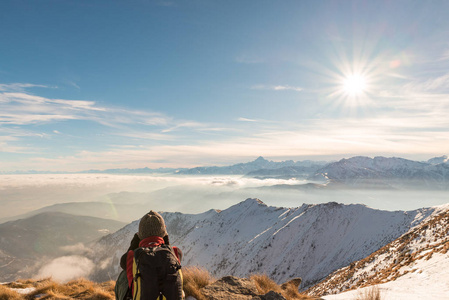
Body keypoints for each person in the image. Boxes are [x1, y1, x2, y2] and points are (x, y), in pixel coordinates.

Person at [115, 210, 183, 300]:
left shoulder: (131, 256)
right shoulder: (175, 252)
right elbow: (167, 251)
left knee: (124, 276)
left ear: (140, 234)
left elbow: (124, 262)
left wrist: (135, 241)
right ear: (163, 233)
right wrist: (165, 239)